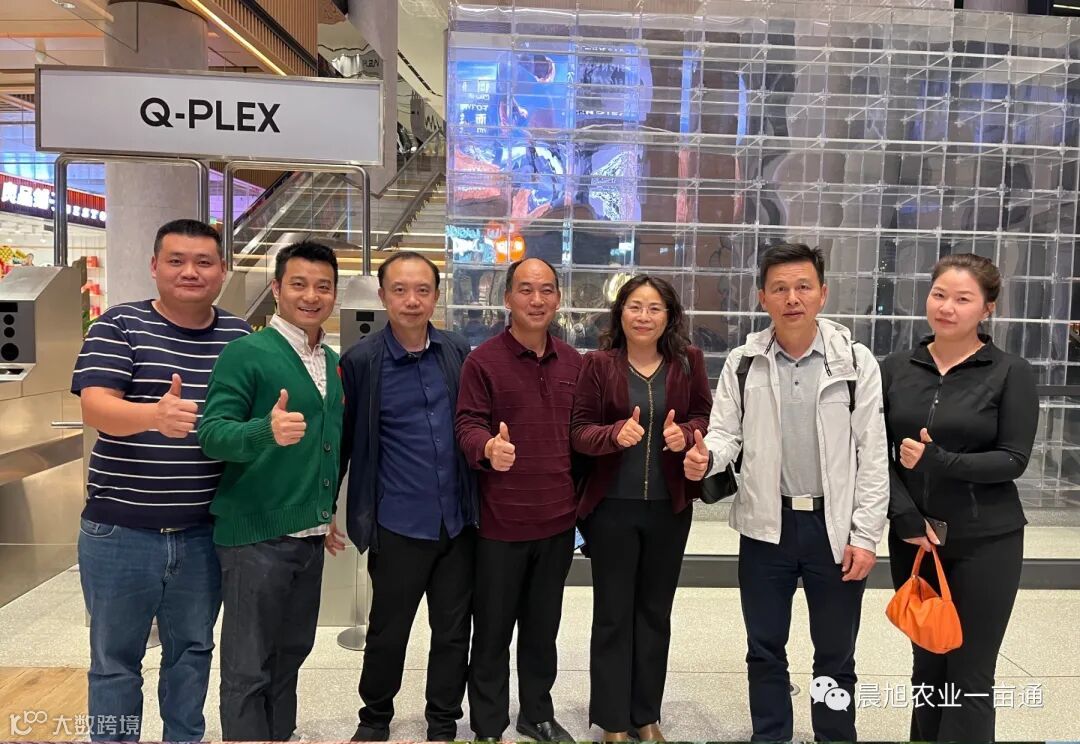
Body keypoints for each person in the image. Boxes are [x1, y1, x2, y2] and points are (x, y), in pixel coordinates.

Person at [683, 243, 889, 742]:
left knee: (835, 652)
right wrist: (706, 457)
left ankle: (834, 736)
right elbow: (726, 433)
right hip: (765, 526)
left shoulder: (855, 362)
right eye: (779, 288)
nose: (791, 298)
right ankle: (770, 735)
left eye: (802, 287)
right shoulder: (744, 362)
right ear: (762, 297)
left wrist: (865, 536)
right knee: (764, 647)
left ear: (822, 293)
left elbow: (872, 455)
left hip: (832, 528)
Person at [71, 218, 250, 742]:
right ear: (154, 266)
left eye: (203, 262)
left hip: (202, 534)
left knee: (192, 653)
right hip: (120, 531)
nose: (190, 271)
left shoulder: (239, 336)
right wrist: (153, 415)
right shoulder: (119, 325)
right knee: (114, 661)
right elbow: (94, 406)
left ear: (222, 270)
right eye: (176, 260)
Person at [882, 253, 1038, 742]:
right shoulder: (895, 368)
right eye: (939, 295)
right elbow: (872, 454)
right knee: (927, 666)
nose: (947, 307)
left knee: (970, 673)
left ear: (987, 308)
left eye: (963, 299)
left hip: (986, 540)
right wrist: (904, 516)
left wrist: (940, 461)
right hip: (914, 540)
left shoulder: (1010, 371)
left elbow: (1013, 459)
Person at [198, 241, 346, 741]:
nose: (311, 296)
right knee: (247, 666)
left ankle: (279, 734)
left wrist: (324, 511)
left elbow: (326, 447)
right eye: (299, 284)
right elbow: (212, 434)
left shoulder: (329, 359)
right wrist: (265, 430)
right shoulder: (247, 352)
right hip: (254, 538)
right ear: (277, 289)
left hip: (308, 537)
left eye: (323, 286)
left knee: (290, 654)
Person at [339, 251, 477, 742]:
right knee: (388, 630)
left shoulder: (457, 351)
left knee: (453, 631)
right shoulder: (361, 361)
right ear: (382, 296)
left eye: (422, 290)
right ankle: (375, 717)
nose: (412, 300)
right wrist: (327, 508)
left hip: (457, 522)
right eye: (399, 290)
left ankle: (443, 719)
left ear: (436, 296)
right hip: (398, 522)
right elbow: (345, 440)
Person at [570, 275, 712, 742]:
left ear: (669, 316)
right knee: (613, 614)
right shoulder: (598, 364)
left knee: (655, 612)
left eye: (654, 308)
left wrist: (685, 434)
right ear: (621, 313)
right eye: (635, 306)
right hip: (611, 508)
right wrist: (614, 435)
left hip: (669, 508)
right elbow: (579, 431)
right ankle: (613, 719)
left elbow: (705, 416)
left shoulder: (688, 362)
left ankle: (646, 714)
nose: (644, 316)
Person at [455, 257, 582, 742]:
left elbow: (583, 434)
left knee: (542, 630)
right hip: (499, 525)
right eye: (526, 289)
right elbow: (467, 424)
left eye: (546, 290)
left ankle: (537, 713)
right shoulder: (483, 361)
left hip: (557, 523)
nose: (536, 299)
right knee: (491, 631)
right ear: (507, 298)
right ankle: (488, 723)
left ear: (558, 298)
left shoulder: (575, 363)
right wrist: (487, 447)